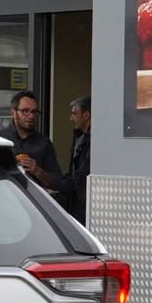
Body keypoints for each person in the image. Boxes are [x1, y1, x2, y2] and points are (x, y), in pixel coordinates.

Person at [0, 91, 62, 189]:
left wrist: (37, 171)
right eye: (25, 111)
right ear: (13, 112)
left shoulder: (44, 142)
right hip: (5, 199)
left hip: (34, 201)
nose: (31, 116)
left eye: (34, 112)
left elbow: (58, 182)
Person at [55, 96, 94, 224]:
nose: (71, 118)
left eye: (74, 114)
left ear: (86, 115)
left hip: (88, 204)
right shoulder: (79, 136)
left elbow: (81, 175)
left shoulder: (95, 141)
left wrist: (58, 186)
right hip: (76, 202)